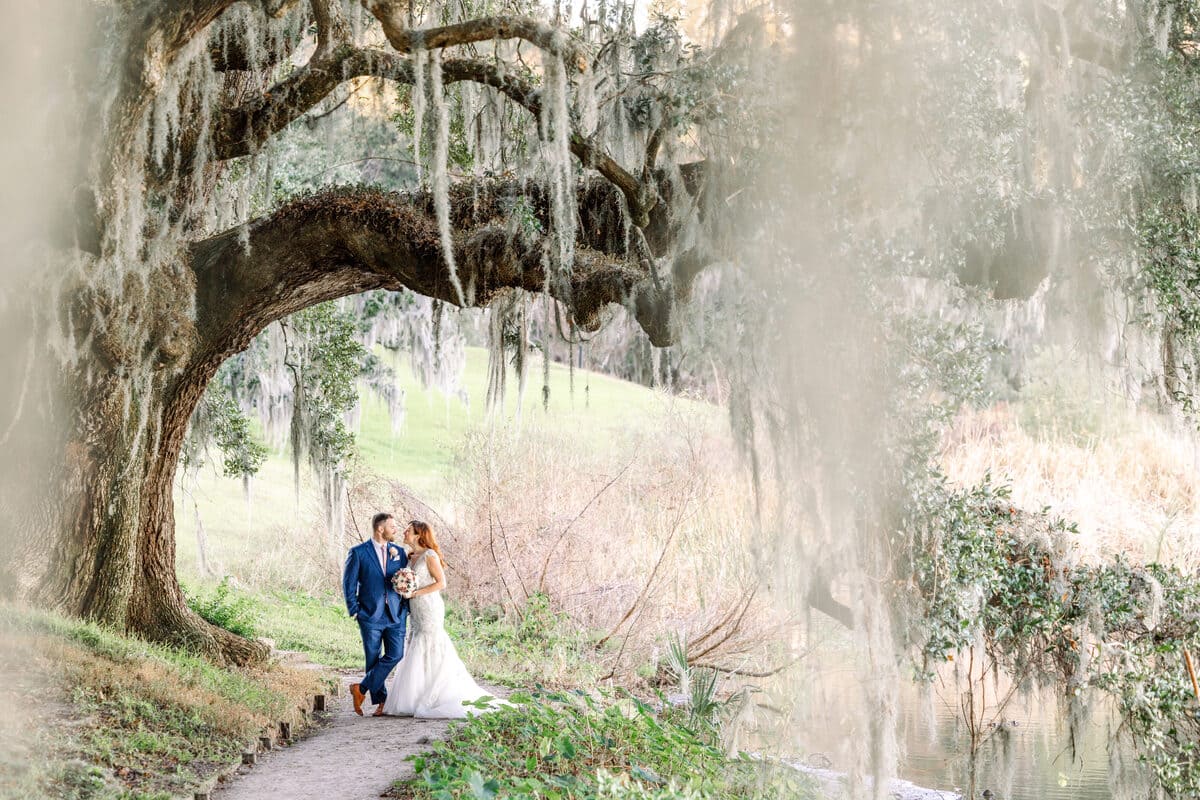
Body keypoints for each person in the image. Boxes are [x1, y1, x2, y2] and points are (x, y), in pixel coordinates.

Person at [382, 520, 505, 718]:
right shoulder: (409, 556)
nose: (404, 533)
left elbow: (441, 583)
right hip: (415, 608)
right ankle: (415, 695)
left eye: (408, 531)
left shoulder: (430, 556)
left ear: (418, 535)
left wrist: (415, 593)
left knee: (430, 641)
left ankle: (436, 693)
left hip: (429, 606)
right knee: (415, 642)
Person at [342, 512, 409, 717]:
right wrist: (355, 610)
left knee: (396, 654)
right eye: (392, 526)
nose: (396, 530)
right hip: (369, 615)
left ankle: (360, 689)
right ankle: (381, 703)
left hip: (396, 614)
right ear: (380, 529)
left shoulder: (399, 552)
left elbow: (407, 579)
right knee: (373, 658)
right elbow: (349, 583)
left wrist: (405, 608)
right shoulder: (358, 552)